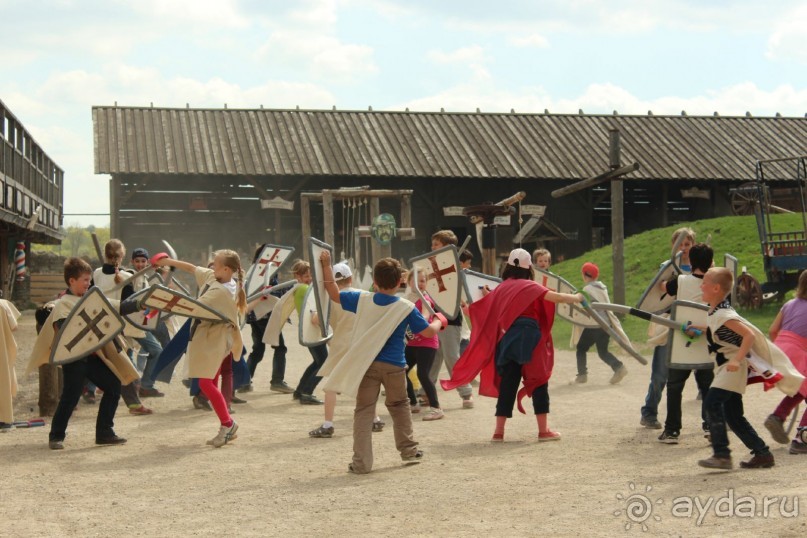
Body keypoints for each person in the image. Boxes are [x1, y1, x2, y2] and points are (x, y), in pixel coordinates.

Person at [319, 252, 444, 474]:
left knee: (364, 411)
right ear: (400, 282)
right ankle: (409, 451)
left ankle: (361, 463)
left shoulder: (362, 299)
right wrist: (438, 321)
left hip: (367, 364)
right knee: (399, 407)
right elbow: (426, 332)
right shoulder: (406, 307)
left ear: (374, 282)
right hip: (395, 365)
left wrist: (326, 265)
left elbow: (334, 293)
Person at [443, 248, 583, 441]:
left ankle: (498, 432)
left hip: (508, 340)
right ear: (529, 268)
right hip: (531, 339)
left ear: (508, 266)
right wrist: (578, 298)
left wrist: (473, 305)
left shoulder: (502, 288)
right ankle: (543, 431)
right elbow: (557, 298)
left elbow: (484, 311)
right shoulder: (530, 286)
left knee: (508, 384)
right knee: (539, 382)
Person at [694, 267, 803, 469]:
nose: (701, 286)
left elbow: (749, 335)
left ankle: (722, 454)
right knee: (733, 416)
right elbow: (721, 332)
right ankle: (762, 454)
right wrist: (700, 330)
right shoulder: (716, 311)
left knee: (711, 403)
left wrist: (736, 359)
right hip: (726, 368)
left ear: (716, 288)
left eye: (704, 283)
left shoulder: (724, 314)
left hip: (730, 368)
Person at [30, 257, 142, 449]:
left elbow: (117, 306)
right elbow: (65, 332)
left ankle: (104, 432)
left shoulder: (91, 298)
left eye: (89, 280)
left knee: (113, 386)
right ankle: (56, 436)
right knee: (70, 397)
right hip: (74, 359)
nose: (88, 283)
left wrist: (139, 304)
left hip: (92, 356)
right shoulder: (63, 304)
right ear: (71, 281)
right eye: (84, 280)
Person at [153, 250, 246, 447]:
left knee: (205, 382)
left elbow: (192, 307)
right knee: (209, 381)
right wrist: (167, 261)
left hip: (216, 339)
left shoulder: (222, 292)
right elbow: (192, 268)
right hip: (210, 337)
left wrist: (160, 301)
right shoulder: (215, 277)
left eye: (216, 263)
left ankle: (228, 424)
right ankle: (226, 425)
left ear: (227, 269)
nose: (212, 265)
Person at [656, 243, 715, 444]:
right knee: (707, 387)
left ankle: (672, 430)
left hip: (682, 341)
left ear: (691, 261)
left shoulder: (681, 281)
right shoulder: (714, 284)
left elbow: (662, 287)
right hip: (706, 342)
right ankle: (711, 427)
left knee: (674, 386)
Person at [92, 239, 152, 415]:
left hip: (97, 324)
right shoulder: (127, 277)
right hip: (117, 327)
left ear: (106, 254)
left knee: (98, 361)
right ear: (123, 255)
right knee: (123, 365)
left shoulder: (96, 274)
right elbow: (129, 304)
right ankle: (133, 405)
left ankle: (95, 391)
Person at [428, 230, 473, 408]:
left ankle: (466, 391)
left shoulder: (456, 268)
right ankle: (426, 391)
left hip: (450, 317)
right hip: (432, 315)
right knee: (433, 356)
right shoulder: (431, 265)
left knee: (451, 356)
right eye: (432, 245)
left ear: (447, 247)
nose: (432, 248)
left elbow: (461, 293)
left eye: (436, 245)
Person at [763, 269, 807, 455]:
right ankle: (801, 439)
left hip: (780, 350)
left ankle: (778, 416)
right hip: (798, 351)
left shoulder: (789, 304)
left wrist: (780, 351)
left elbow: (773, 330)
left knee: (802, 388)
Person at [574, 262, 628, 384]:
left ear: (584, 275)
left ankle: (582, 375)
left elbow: (584, 305)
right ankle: (619, 367)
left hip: (595, 325)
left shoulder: (587, 289)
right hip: (606, 325)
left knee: (581, 348)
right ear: (596, 276)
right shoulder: (602, 287)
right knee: (603, 352)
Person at [404, 268, 444, 421]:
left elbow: (425, 317)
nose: (420, 284)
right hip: (413, 343)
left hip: (427, 342)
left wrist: (412, 321)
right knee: (401, 370)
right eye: (416, 280)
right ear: (409, 282)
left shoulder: (426, 299)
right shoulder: (407, 298)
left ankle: (436, 408)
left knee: (422, 374)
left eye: (423, 281)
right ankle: (413, 403)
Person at [0, 297, 21, 431]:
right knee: (3, 382)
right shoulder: (3, 304)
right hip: (2, 350)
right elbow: (14, 327)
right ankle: (5, 419)